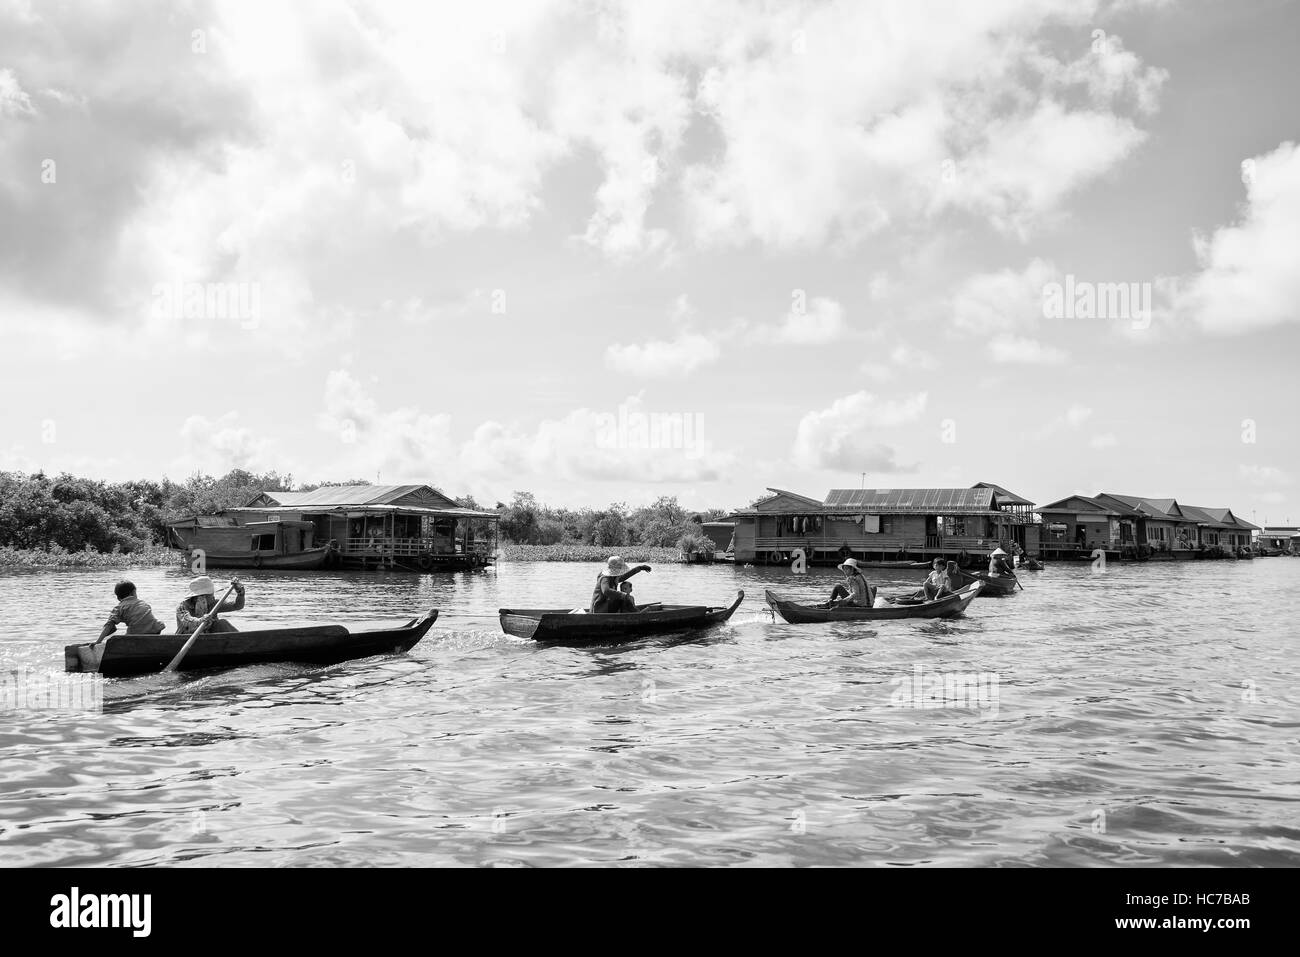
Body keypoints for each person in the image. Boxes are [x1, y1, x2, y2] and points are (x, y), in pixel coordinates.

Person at [97, 580, 166, 641]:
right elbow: (146, 617)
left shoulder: (119, 608)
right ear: (133, 592)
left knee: (126, 636)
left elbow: (109, 625)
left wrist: (98, 641)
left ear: (118, 597)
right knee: (153, 623)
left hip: (136, 634)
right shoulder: (142, 603)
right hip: (156, 629)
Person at [176, 576, 246, 635]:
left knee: (222, 623)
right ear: (201, 597)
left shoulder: (213, 603)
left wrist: (240, 594)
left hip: (210, 636)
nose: (213, 596)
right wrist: (202, 620)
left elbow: (237, 606)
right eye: (210, 594)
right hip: (188, 636)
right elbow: (187, 622)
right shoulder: (182, 607)